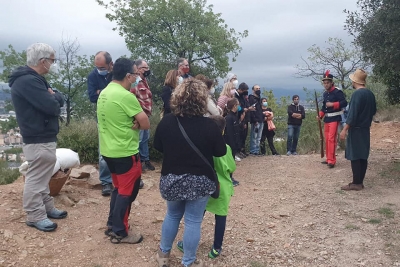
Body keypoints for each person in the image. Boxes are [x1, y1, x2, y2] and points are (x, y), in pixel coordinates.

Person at [154, 79, 226, 267]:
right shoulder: (210, 126)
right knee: (193, 221)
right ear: (203, 100)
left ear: (177, 98)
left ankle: (163, 257)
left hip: (171, 179)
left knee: (172, 215)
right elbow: (221, 152)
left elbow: (157, 146)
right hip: (200, 181)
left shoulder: (167, 121)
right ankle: (188, 262)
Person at [9, 43, 67, 232]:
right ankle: (35, 215)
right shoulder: (28, 81)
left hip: (42, 134)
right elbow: (52, 106)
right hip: (37, 136)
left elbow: (56, 99)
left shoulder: (35, 79)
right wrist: (54, 97)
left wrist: (54, 96)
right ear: (43, 61)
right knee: (36, 176)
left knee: (43, 174)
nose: (53, 63)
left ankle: (46, 207)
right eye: (52, 60)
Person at [97, 57, 150, 244]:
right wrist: (137, 121)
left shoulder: (104, 93)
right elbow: (145, 123)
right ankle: (120, 231)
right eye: (136, 74)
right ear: (128, 76)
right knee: (127, 193)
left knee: (118, 190)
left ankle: (112, 223)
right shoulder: (126, 96)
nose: (137, 78)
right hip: (126, 152)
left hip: (108, 151)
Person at [176, 115, 236, 260]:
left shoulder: (203, 145)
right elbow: (231, 167)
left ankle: (186, 243)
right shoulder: (225, 148)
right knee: (221, 217)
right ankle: (216, 247)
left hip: (204, 185)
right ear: (223, 130)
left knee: (196, 217)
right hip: (222, 188)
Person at [340, 69, 376, 191]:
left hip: (356, 129)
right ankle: (360, 181)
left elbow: (352, 114)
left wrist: (344, 129)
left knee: (355, 155)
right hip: (365, 129)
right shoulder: (370, 94)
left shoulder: (357, 94)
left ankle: (356, 183)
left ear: (355, 81)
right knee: (363, 155)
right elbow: (373, 111)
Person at [87, 51, 113, 196]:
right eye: (97, 67)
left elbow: (126, 90)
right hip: (102, 116)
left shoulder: (117, 73)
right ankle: (106, 181)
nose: (100, 70)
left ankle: (122, 177)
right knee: (103, 150)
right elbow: (91, 96)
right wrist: (110, 92)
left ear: (110, 64)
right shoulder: (92, 76)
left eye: (102, 68)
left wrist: (100, 92)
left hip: (120, 115)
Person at [317, 70, 348, 167]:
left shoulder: (337, 92)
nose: (326, 85)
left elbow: (344, 103)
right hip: (327, 119)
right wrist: (320, 115)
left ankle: (332, 161)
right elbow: (324, 107)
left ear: (331, 83)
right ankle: (328, 158)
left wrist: (333, 104)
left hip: (335, 117)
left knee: (331, 139)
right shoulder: (325, 94)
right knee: (327, 139)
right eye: (324, 83)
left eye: (327, 83)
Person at [130, 59, 156, 173]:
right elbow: (132, 97)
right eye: (145, 68)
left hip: (146, 115)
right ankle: (138, 162)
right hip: (139, 115)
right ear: (139, 69)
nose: (148, 70)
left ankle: (146, 160)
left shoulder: (144, 81)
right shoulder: (135, 82)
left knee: (145, 139)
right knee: (139, 140)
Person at [224, 98, 241, 186]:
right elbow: (230, 133)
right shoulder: (229, 117)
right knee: (229, 161)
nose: (239, 106)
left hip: (235, 143)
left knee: (232, 161)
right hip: (230, 144)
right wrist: (232, 144)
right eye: (237, 104)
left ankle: (231, 176)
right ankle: (229, 178)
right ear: (234, 106)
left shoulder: (235, 116)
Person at [235, 82, 254, 158]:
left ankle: (242, 150)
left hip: (244, 118)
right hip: (238, 117)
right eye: (245, 90)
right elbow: (237, 107)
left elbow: (245, 105)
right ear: (241, 89)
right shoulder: (235, 96)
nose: (246, 92)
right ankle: (237, 151)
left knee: (243, 135)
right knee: (238, 135)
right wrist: (243, 109)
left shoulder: (242, 96)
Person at [248, 85, 264, 155]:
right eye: (257, 89)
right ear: (253, 90)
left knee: (259, 137)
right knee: (254, 136)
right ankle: (253, 150)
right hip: (256, 120)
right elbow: (252, 110)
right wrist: (254, 120)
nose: (258, 90)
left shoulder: (259, 98)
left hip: (261, 119)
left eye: (259, 88)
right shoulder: (251, 98)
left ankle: (257, 150)